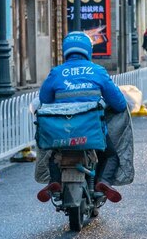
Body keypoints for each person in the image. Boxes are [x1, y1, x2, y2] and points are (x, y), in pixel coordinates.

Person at [37, 31, 128, 203]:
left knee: (52, 154)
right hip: (91, 131)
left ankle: (55, 181)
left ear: (66, 50)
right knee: (110, 155)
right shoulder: (97, 71)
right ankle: (103, 181)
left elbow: (44, 100)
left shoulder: (56, 73)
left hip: (61, 132)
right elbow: (120, 104)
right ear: (88, 50)